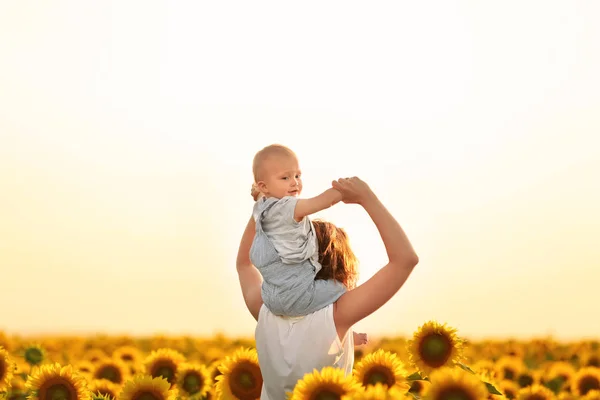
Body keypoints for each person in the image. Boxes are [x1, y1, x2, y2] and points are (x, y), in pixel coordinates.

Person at [236, 176, 419, 399]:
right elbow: (404, 260)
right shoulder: (337, 315)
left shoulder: (265, 307)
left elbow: (244, 263)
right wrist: (367, 198)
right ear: (340, 265)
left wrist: (264, 207)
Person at [249, 144, 348, 317]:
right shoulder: (289, 207)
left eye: (297, 175)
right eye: (285, 178)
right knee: (341, 287)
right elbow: (321, 201)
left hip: (271, 298)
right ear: (264, 186)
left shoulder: (262, 207)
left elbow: (262, 196)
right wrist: (344, 191)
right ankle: (344, 331)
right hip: (299, 297)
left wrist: (258, 194)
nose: (294, 182)